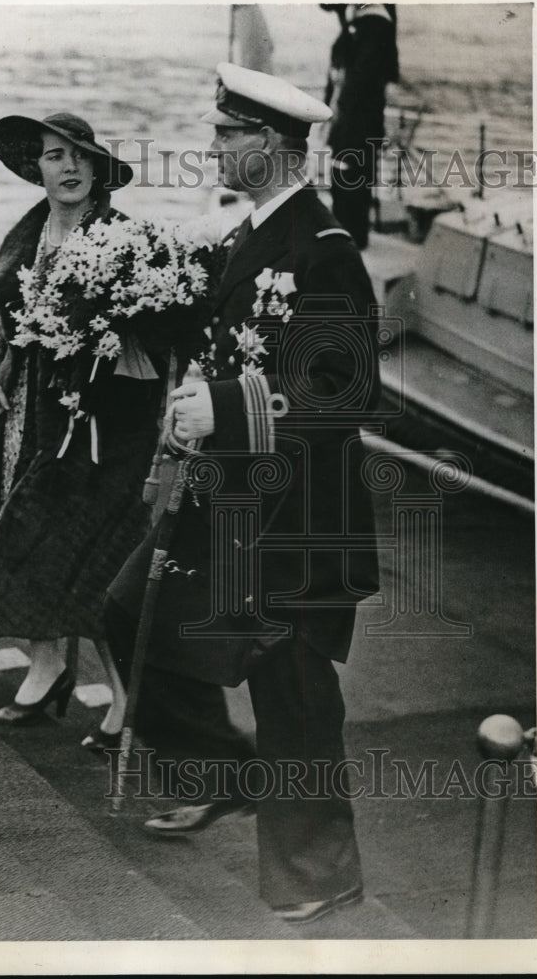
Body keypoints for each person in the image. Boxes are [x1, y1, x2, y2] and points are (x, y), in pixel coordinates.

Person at [105, 63, 381, 923]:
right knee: (123, 612)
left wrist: (219, 406)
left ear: (270, 145)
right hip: (227, 501)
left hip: (297, 516)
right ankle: (223, 776)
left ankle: (319, 875)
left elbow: (343, 391)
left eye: (228, 135)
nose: (213, 146)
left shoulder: (323, 252)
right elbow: (212, 335)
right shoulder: (243, 237)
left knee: (293, 691)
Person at [0, 112, 163, 731]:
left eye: (79, 156)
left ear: (97, 168)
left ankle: (127, 702)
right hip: (21, 422)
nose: (67, 168)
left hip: (97, 432)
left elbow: (154, 341)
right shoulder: (24, 238)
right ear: (35, 168)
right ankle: (46, 673)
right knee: (26, 548)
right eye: (52, 156)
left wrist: (102, 359)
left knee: (95, 562)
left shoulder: (126, 239)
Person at [321, 3, 399, 248]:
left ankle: (350, 243)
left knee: (351, 184)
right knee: (345, 183)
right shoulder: (360, 29)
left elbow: (360, 82)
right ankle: (347, 239)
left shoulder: (374, 27)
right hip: (350, 124)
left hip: (357, 126)